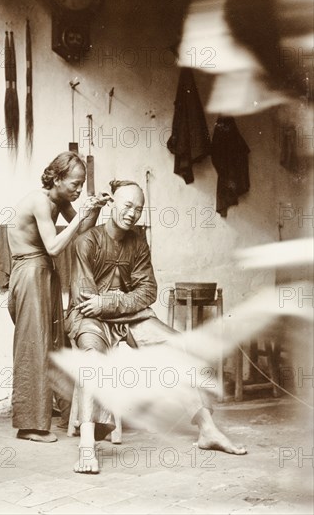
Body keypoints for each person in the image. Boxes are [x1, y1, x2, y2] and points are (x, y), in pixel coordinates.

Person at [66, 179, 247, 472]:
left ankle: (207, 430)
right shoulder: (86, 241)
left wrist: (109, 302)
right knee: (92, 359)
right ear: (111, 203)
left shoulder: (138, 241)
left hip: (126, 317)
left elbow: (148, 290)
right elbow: (87, 299)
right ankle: (87, 446)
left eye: (138, 209)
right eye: (127, 205)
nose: (132, 213)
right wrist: (113, 302)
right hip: (90, 319)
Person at [7, 152, 110, 443]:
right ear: (56, 178)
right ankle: (29, 425)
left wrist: (95, 209)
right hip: (30, 272)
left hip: (44, 272)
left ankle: (65, 415)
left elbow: (80, 233)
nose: (78, 190)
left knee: (55, 341)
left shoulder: (60, 201)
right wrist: (81, 214)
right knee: (33, 345)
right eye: (75, 184)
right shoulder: (40, 200)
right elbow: (54, 246)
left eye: (82, 186)